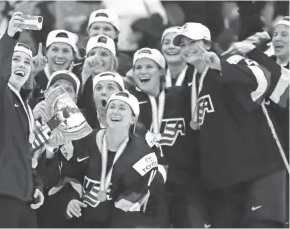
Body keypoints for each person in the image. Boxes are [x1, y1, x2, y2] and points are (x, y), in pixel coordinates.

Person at [173, 22, 287, 227]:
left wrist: (220, 65)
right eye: (182, 43)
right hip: (225, 182)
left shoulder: (230, 60)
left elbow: (264, 80)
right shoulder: (193, 83)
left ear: (207, 44)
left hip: (258, 172)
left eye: (192, 41)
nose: (186, 47)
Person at [0, 12, 44, 227]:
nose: (22, 65)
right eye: (16, 59)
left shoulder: (24, 104)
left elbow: (22, 151)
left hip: (21, 196)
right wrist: (10, 36)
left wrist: (35, 184)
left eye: (27, 62)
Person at [129, 46, 208, 227]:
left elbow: (205, 81)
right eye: (138, 68)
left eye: (149, 66)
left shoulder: (182, 96)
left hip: (186, 186)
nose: (143, 72)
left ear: (161, 71)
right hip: (146, 190)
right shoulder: (129, 103)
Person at [64, 90, 167, 228]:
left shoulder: (143, 155)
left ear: (133, 119)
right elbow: (71, 175)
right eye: (112, 107)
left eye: (122, 108)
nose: (115, 111)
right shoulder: (87, 140)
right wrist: (71, 200)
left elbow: (130, 203)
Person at [33, 70, 82, 228]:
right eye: (57, 87)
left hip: (62, 214)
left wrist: (50, 150)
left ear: (75, 98)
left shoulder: (82, 132)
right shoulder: (29, 119)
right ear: (46, 93)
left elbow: (75, 174)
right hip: (27, 206)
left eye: (69, 89)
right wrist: (49, 150)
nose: (62, 93)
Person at [29, 29, 79, 108]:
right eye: (55, 50)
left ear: (73, 55)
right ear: (46, 52)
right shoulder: (35, 75)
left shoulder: (78, 76)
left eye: (65, 51)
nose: (59, 56)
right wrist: (31, 75)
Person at [77, 34, 119, 128]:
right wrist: (85, 74)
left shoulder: (122, 85)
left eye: (104, 54)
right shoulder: (75, 82)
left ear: (113, 60)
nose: (97, 58)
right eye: (92, 54)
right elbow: (67, 110)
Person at [86, 9, 132, 76]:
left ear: (116, 34)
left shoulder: (127, 63)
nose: (101, 33)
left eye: (107, 29)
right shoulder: (78, 60)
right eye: (96, 28)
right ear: (88, 32)